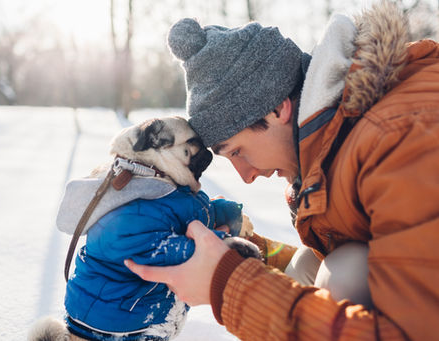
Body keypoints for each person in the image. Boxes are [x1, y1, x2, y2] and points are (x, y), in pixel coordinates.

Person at [125, 1, 439, 340]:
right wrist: (246, 252)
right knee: (312, 264)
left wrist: (228, 285)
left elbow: (412, 331)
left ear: (276, 108)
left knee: (341, 275)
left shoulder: (400, 135)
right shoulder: (339, 143)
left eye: (238, 151)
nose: (245, 176)